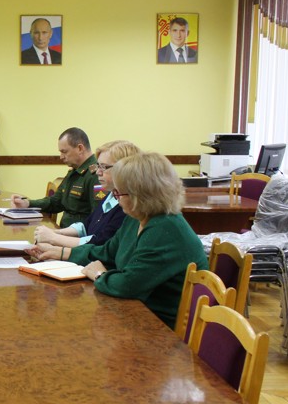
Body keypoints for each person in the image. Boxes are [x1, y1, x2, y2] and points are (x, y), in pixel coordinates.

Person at [39, 153, 208, 329]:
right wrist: (61, 253)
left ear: (141, 195)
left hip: (161, 329)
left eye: (118, 193)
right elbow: (107, 252)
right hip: (138, 313)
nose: (115, 198)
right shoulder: (137, 218)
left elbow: (128, 286)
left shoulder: (165, 229)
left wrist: (99, 275)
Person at [30, 140, 140, 255]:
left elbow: (100, 244)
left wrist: (54, 239)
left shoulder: (127, 205)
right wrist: (55, 233)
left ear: (124, 169)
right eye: (98, 166)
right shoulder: (111, 194)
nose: (98, 172)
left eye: (103, 167)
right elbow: (85, 225)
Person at [11, 127, 100, 227]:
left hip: (78, 238)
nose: (61, 157)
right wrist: (27, 203)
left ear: (80, 148)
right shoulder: (75, 171)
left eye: (64, 152)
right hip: (64, 233)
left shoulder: (96, 175)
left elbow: (98, 217)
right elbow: (55, 202)